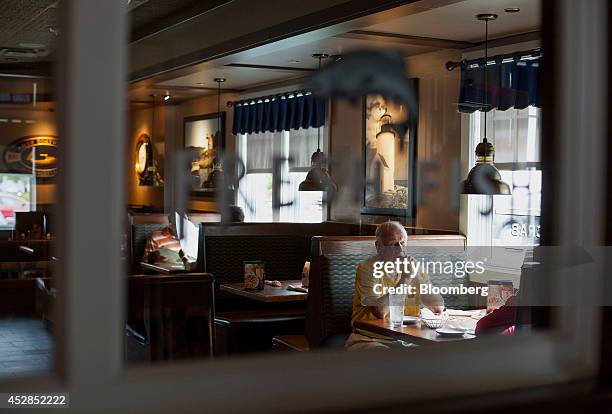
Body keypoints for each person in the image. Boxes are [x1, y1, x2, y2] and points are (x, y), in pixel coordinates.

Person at [346, 221, 445, 351]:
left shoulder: (414, 267)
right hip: (370, 338)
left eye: (402, 243)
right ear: (378, 246)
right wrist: (405, 279)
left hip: (407, 339)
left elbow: (438, 308)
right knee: (388, 360)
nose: (400, 248)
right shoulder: (367, 268)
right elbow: (380, 312)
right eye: (393, 244)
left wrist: (416, 275)